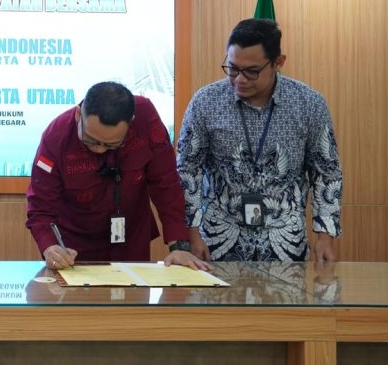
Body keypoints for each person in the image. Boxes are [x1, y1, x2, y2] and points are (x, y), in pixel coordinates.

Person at [177, 18, 342, 262]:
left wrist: (325, 237)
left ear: (278, 62)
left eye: (251, 71)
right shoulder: (205, 102)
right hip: (217, 243)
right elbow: (187, 172)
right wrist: (191, 236)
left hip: (285, 246)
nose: (239, 79)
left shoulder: (309, 104)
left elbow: (326, 173)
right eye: (232, 68)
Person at [26, 81, 209, 271]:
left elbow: (166, 184)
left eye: (111, 144)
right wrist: (50, 247)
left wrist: (179, 246)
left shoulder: (145, 118)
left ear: (131, 122)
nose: (99, 149)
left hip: (131, 241)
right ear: (78, 114)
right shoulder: (56, 137)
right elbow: (40, 207)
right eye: (90, 140)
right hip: (75, 249)